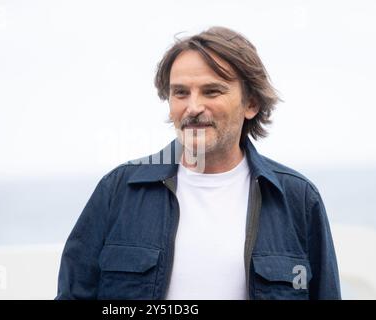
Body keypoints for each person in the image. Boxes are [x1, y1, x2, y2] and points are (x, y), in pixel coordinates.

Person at [55, 26, 341, 300]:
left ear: (251, 103)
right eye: (180, 93)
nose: (192, 107)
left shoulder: (297, 200)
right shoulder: (118, 191)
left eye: (211, 91)